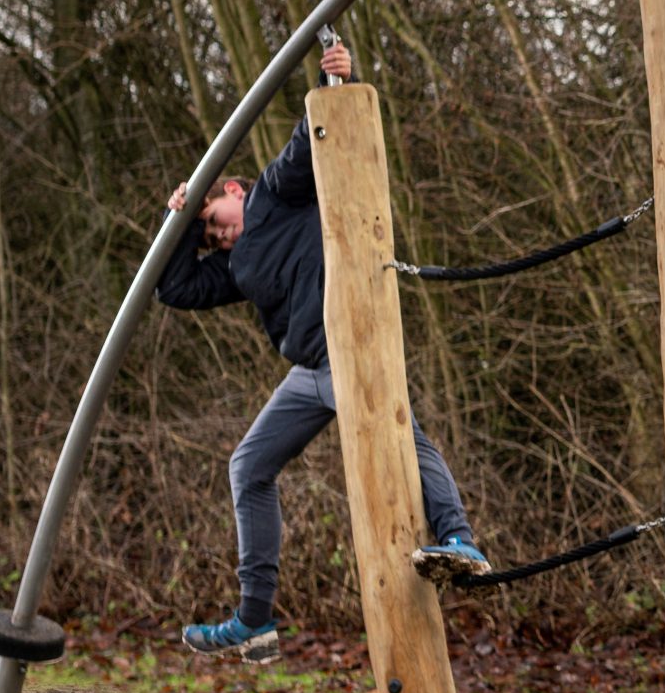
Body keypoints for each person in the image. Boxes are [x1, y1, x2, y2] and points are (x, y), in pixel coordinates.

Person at [156, 40, 485, 661]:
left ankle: (458, 539)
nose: (217, 233)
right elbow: (174, 286)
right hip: (309, 371)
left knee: (402, 437)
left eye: (214, 218)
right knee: (248, 467)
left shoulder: (275, 195)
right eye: (209, 236)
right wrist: (176, 223)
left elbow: (314, 138)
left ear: (233, 187)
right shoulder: (236, 266)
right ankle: (255, 619)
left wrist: (337, 78)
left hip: (351, 352)